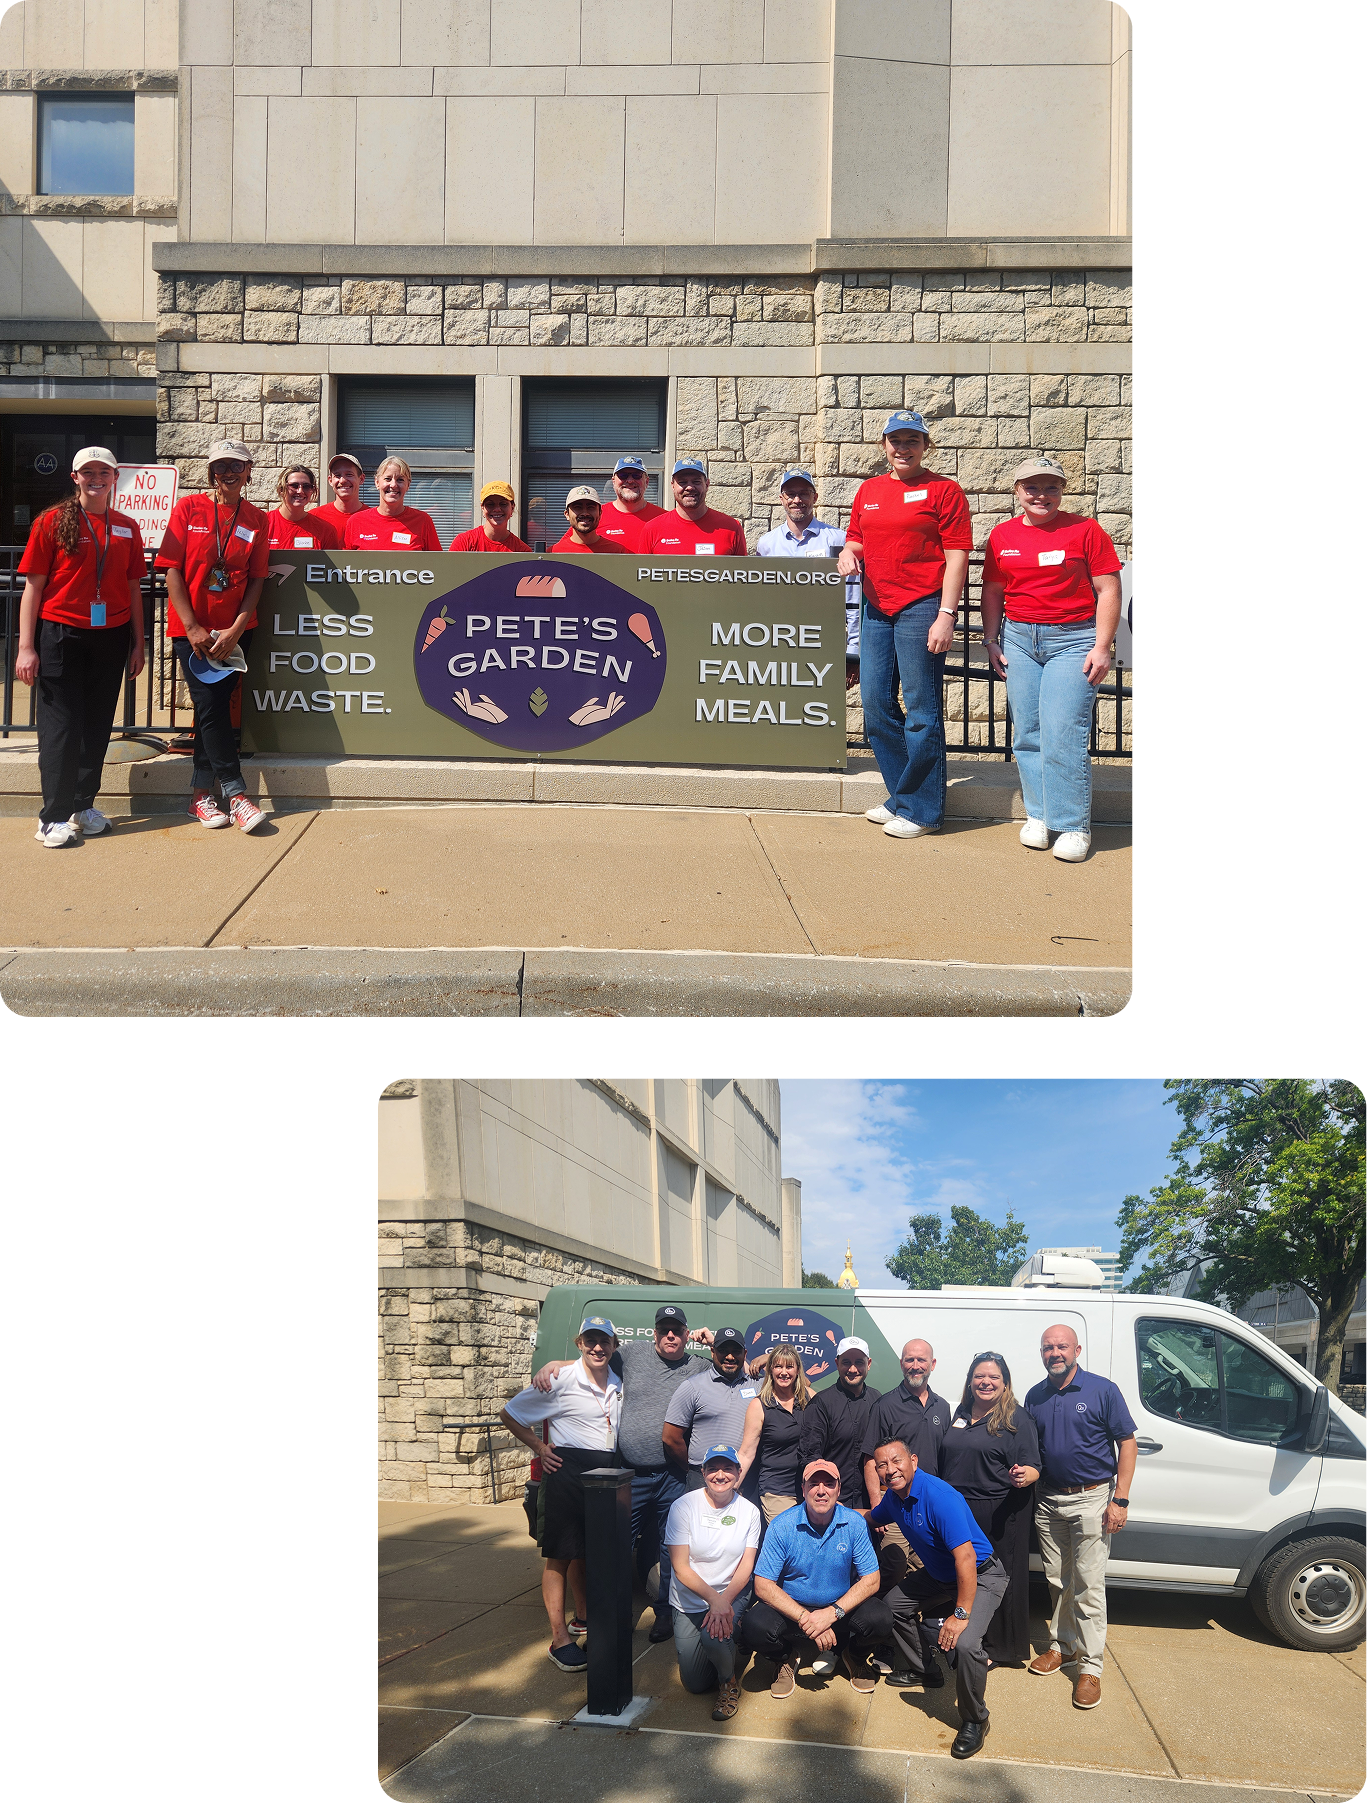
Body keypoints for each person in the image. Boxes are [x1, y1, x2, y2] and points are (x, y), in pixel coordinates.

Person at [529, 1302, 703, 1646]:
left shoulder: (696, 1364)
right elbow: (595, 1359)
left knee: (671, 1547)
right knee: (616, 1547)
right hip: (628, 1475)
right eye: (664, 1329)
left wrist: (714, 1344)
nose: (670, 1335)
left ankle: (665, 1613)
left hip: (671, 1476)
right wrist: (555, 1363)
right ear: (654, 1333)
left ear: (686, 1334)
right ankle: (615, 1617)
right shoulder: (632, 1354)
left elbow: (737, 1368)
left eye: (677, 1330)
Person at [980, 456, 1124, 863]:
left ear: (1062, 491)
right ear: (1017, 491)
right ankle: (1040, 815)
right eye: (1032, 487)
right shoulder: (1002, 534)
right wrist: (991, 640)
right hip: (1020, 639)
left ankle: (1074, 824)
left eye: (1051, 487)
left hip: (1073, 640)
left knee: (1064, 732)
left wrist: (1102, 646)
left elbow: (1108, 589)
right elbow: (993, 590)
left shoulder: (1085, 530)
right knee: (1028, 731)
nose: (1042, 495)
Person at [837, 409, 973, 840]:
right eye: (896, 440)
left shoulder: (944, 491)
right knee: (876, 705)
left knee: (921, 710)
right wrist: (848, 552)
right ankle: (901, 796)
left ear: (925, 446)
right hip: (877, 607)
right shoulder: (869, 490)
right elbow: (858, 537)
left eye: (912, 440)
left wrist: (946, 615)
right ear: (884, 446)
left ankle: (924, 811)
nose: (903, 448)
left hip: (922, 606)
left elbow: (957, 557)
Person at [15, 446, 147, 846]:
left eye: (103, 472)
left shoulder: (126, 526)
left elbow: (132, 587)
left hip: (111, 635)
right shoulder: (52, 522)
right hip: (61, 635)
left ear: (114, 477)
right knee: (62, 727)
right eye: (88, 472)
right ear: (75, 477)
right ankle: (51, 816)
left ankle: (82, 805)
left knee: (96, 725)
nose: (96, 479)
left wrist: (139, 643)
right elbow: (33, 587)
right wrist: (26, 647)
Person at [863, 1438, 1008, 1761]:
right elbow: (872, 1517)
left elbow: (966, 1558)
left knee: (968, 1644)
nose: (890, 1470)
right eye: (882, 1465)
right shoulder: (894, 1497)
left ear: (913, 1460)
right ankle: (924, 1670)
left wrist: (960, 1613)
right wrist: (831, 1513)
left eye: (896, 1461)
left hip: (981, 1575)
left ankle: (975, 1719)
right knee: (893, 1606)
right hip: (940, 1575)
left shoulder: (940, 1497)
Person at [155, 438, 269, 832]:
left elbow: (256, 580)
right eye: (220, 466)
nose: (228, 472)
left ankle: (200, 796)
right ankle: (237, 795)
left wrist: (237, 629)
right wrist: (193, 628)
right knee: (212, 707)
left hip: (235, 633)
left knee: (212, 710)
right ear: (211, 472)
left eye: (236, 465)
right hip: (194, 633)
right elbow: (170, 568)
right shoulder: (189, 509)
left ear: (249, 472)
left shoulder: (257, 519)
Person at [499, 1314, 624, 1674]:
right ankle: (558, 1639)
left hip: (604, 1473)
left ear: (613, 1346)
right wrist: (539, 1446)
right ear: (580, 1343)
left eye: (605, 1341)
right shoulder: (559, 1379)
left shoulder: (616, 1380)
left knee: (585, 1553)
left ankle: (582, 1618)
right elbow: (511, 1413)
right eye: (590, 1340)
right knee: (560, 1555)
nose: (598, 1347)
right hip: (566, 1471)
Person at [1023, 1323, 1137, 1710]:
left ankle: (1090, 1668)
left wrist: (1119, 1500)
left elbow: (1127, 1442)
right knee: (1057, 1580)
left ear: (1077, 1350)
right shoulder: (1034, 1395)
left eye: (1062, 1347)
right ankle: (1063, 1646)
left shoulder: (1102, 1390)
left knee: (1089, 1585)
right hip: (1048, 1500)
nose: (1055, 1353)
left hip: (1091, 1499)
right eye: (1048, 1348)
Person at [735, 1459, 892, 1698]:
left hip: (839, 1608)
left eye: (829, 1484)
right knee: (753, 1626)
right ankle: (785, 1658)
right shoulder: (782, 1526)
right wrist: (807, 1619)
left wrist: (830, 1614)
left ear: (838, 1490)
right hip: (794, 1609)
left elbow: (872, 1579)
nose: (821, 1490)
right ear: (803, 1488)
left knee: (881, 1619)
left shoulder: (854, 1523)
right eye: (814, 1484)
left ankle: (854, 1656)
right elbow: (763, 1585)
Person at [938, 1353, 1040, 1668]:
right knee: (966, 1575)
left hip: (999, 1511)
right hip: (960, 1509)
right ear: (970, 1381)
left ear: (1005, 1383)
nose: (986, 1382)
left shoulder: (1016, 1418)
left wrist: (1024, 1476)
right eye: (980, 1376)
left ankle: (997, 1648)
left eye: (994, 1377)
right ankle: (964, 1635)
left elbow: (1034, 1466)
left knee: (998, 1580)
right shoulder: (962, 1412)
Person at [663, 1444, 761, 1721]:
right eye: (713, 1468)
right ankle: (733, 1636)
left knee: (713, 1637)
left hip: (733, 1592)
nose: (721, 1475)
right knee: (695, 1684)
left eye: (728, 1468)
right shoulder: (683, 1506)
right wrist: (714, 1601)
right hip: (690, 1599)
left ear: (738, 1472)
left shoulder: (749, 1512)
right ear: (703, 1472)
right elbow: (680, 1567)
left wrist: (724, 1601)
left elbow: (746, 1565)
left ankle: (729, 1683)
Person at [756, 467, 862, 686]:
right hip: (777, 645)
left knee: (821, 710)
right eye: (790, 494)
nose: (797, 500)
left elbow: (853, 599)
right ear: (781, 499)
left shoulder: (838, 541)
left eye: (804, 493)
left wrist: (853, 651)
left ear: (815, 497)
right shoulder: (767, 544)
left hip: (825, 644)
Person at [862, 1338, 952, 1589]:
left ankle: (912, 1624)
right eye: (909, 1360)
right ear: (901, 1364)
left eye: (921, 1360)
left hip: (929, 1506)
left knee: (925, 1568)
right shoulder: (885, 1406)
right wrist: (877, 1503)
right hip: (895, 1505)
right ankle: (880, 1622)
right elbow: (870, 1459)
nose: (915, 1365)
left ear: (932, 1364)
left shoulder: (942, 1407)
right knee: (893, 1567)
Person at [664, 1328, 761, 1499]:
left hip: (746, 1478)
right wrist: (693, 1469)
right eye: (723, 1350)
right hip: (703, 1476)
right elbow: (670, 1438)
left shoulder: (759, 1385)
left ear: (744, 1354)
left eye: (736, 1351)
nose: (730, 1357)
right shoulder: (693, 1386)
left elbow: (803, 1384)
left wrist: (768, 1358)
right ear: (712, 1351)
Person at [799, 1337, 882, 1510]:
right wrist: (827, 1496)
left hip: (869, 1504)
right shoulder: (821, 1403)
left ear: (869, 1363)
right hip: (833, 1505)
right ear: (837, 1363)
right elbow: (810, 1456)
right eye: (846, 1362)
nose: (853, 1369)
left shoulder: (878, 1400)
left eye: (859, 1362)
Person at [738, 1342, 810, 1524]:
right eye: (778, 1366)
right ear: (770, 1370)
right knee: (787, 1542)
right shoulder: (759, 1404)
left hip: (808, 1489)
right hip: (776, 1490)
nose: (784, 1372)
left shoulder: (809, 1398)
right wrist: (730, 1488)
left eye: (789, 1366)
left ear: (798, 1370)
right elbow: (746, 1453)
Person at [639, 459, 747, 556]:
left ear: (707, 485)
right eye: (682, 482)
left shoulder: (732, 528)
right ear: (672, 486)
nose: (690, 487)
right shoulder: (652, 529)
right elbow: (640, 574)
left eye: (696, 482)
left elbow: (743, 574)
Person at [343, 456, 442, 551]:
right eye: (388, 479)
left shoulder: (423, 521)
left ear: (408, 485)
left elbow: (438, 563)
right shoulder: (356, 522)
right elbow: (346, 564)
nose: (393, 485)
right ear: (377, 482)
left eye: (400, 480)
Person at [594, 456, 666, 551]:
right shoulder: (595, 516)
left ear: (647, 482)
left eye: (637, 475)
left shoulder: (663, 518)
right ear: (613, 482)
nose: (630, 480)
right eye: (623, 475)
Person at [265, 467, 341, 549]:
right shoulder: (264, 524)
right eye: (294, 486)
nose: (300, 491)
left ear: (312, 490)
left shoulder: (325, 530)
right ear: (281, 490)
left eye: (306, 486)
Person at [448, 481, 531, 553]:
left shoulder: (522, 551)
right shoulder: (464, 542)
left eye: (503, 504)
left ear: (512, 508)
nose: (497, 509)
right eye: (490, 504)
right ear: (482, 508)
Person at [550, 486, 628, 555]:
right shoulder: (552, 554)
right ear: (567, 514)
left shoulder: (617, 552)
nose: (585, 513)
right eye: (578, 507)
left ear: (600, 513)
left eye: (591, 507)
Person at [309, 452, 366, 540]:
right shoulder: (314, 518)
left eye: (349, 474)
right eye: (337, 475)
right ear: (330, 480)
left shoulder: (372, 519)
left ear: (361, 479)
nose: (342, 480)